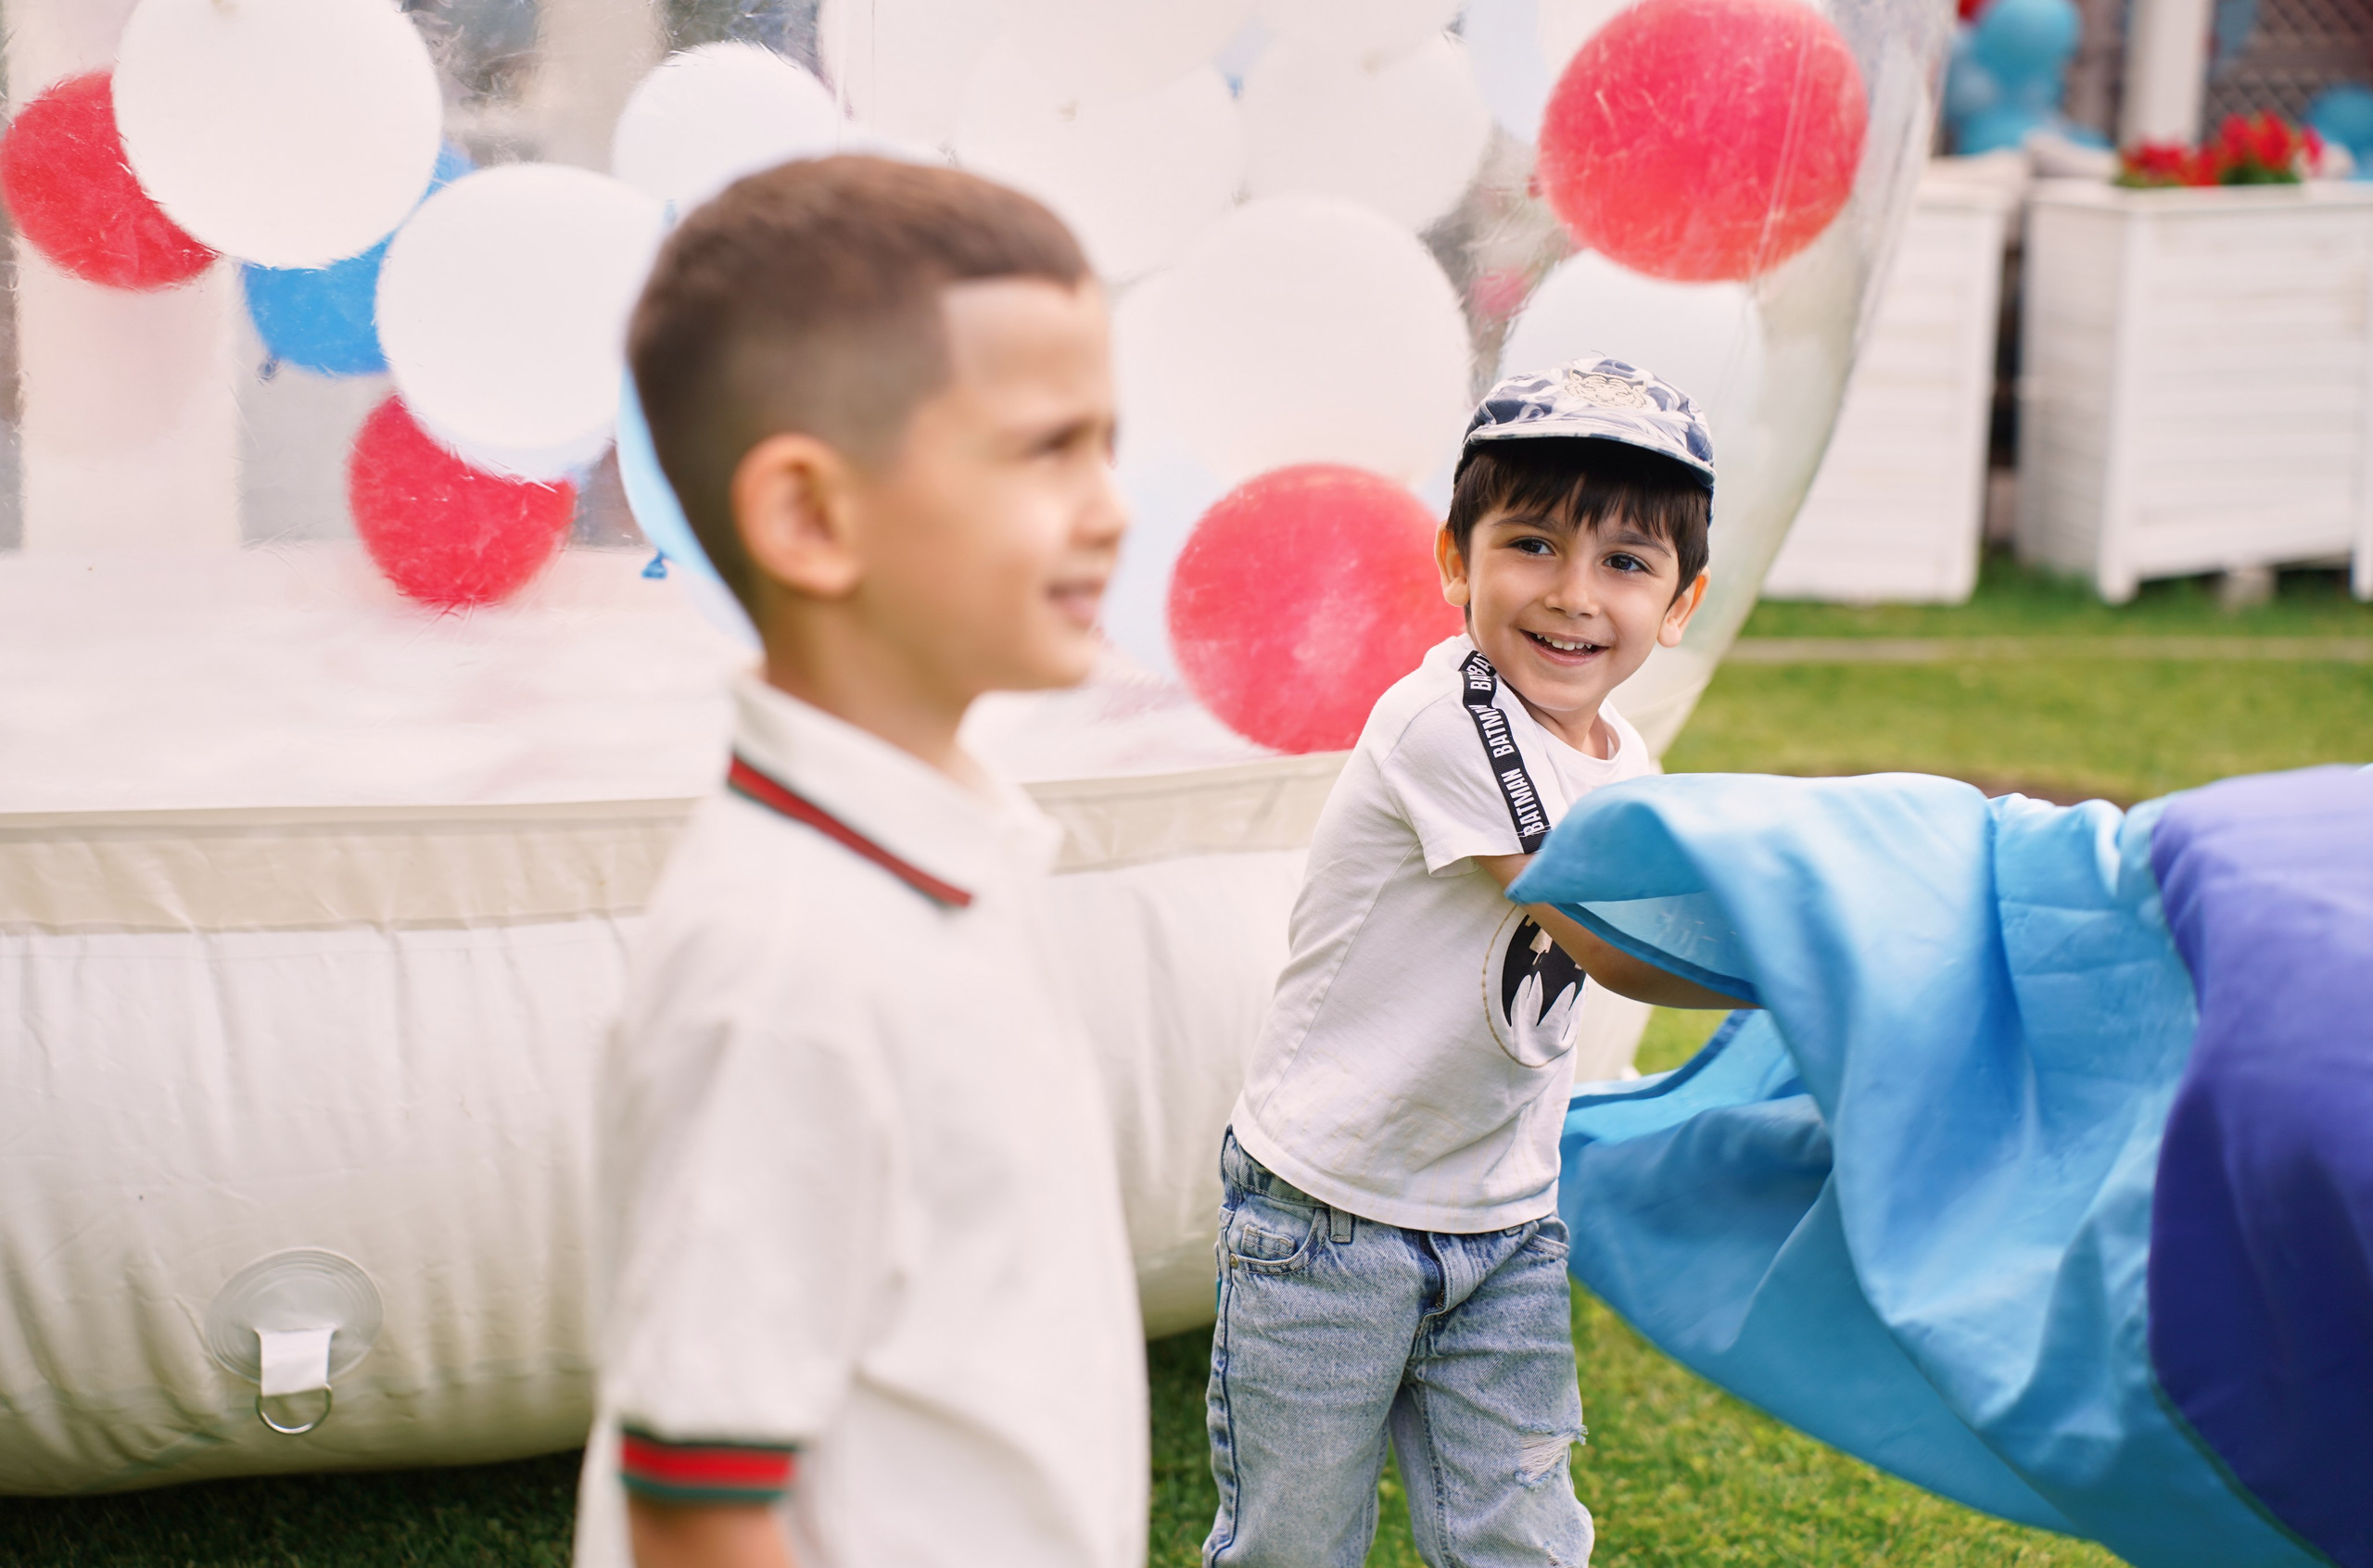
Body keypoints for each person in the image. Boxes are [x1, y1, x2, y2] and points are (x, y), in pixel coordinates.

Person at [573, 156, 1142, 1568]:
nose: (1114, 507)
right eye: (1046, 449)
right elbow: (699, 1502)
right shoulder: (787, 964)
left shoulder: (942, 853)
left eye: (1109, 444)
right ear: (811, 520)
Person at [1203, 355, 1750, 1568]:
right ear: (1457, 559)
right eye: (1534, 545)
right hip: (1331, 1214)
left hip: (1503, 1215)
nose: (1572, 594)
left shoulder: (1622, 756)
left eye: (1624, 562)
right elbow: (1610, 939)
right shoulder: (1446, 720)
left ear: (1681, 600)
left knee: (1521, 1532)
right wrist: (1800, 973)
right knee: (1295, 1539)